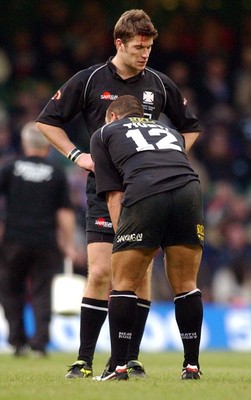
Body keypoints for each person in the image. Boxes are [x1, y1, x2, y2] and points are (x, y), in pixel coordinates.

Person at [36, 9, 200, 378]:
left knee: (139, 272)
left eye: (149, 47)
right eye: (139, 47)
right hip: (103, 186)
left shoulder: (159, 84)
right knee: (99, 271)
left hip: (147, 190)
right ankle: (84, 359)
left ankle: (127, 357)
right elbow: (46, 121)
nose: (145, 54)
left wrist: (165, 157)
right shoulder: (90, 79)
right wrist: (76, 155)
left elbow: (191, 127)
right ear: (119, 43)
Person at [90, 95, 204, 380]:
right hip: (188, 191)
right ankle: (191, 366)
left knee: (124, 282)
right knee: (187, 284)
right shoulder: (170, 131)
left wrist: (123, 238)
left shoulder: (104, 132)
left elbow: (114, 193)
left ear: (113, 116)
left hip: (145, 192)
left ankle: (118, 367)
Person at [0, 122, 76, 357]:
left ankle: (17, 341)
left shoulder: (10, 167)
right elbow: (64, 212)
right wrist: (68, 243)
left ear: (24, 143)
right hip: (45, 241)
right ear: (48, 146)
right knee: (43, 292)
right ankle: (40, 344)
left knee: (11, 290)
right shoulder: (56, 171)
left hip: (14, 240)